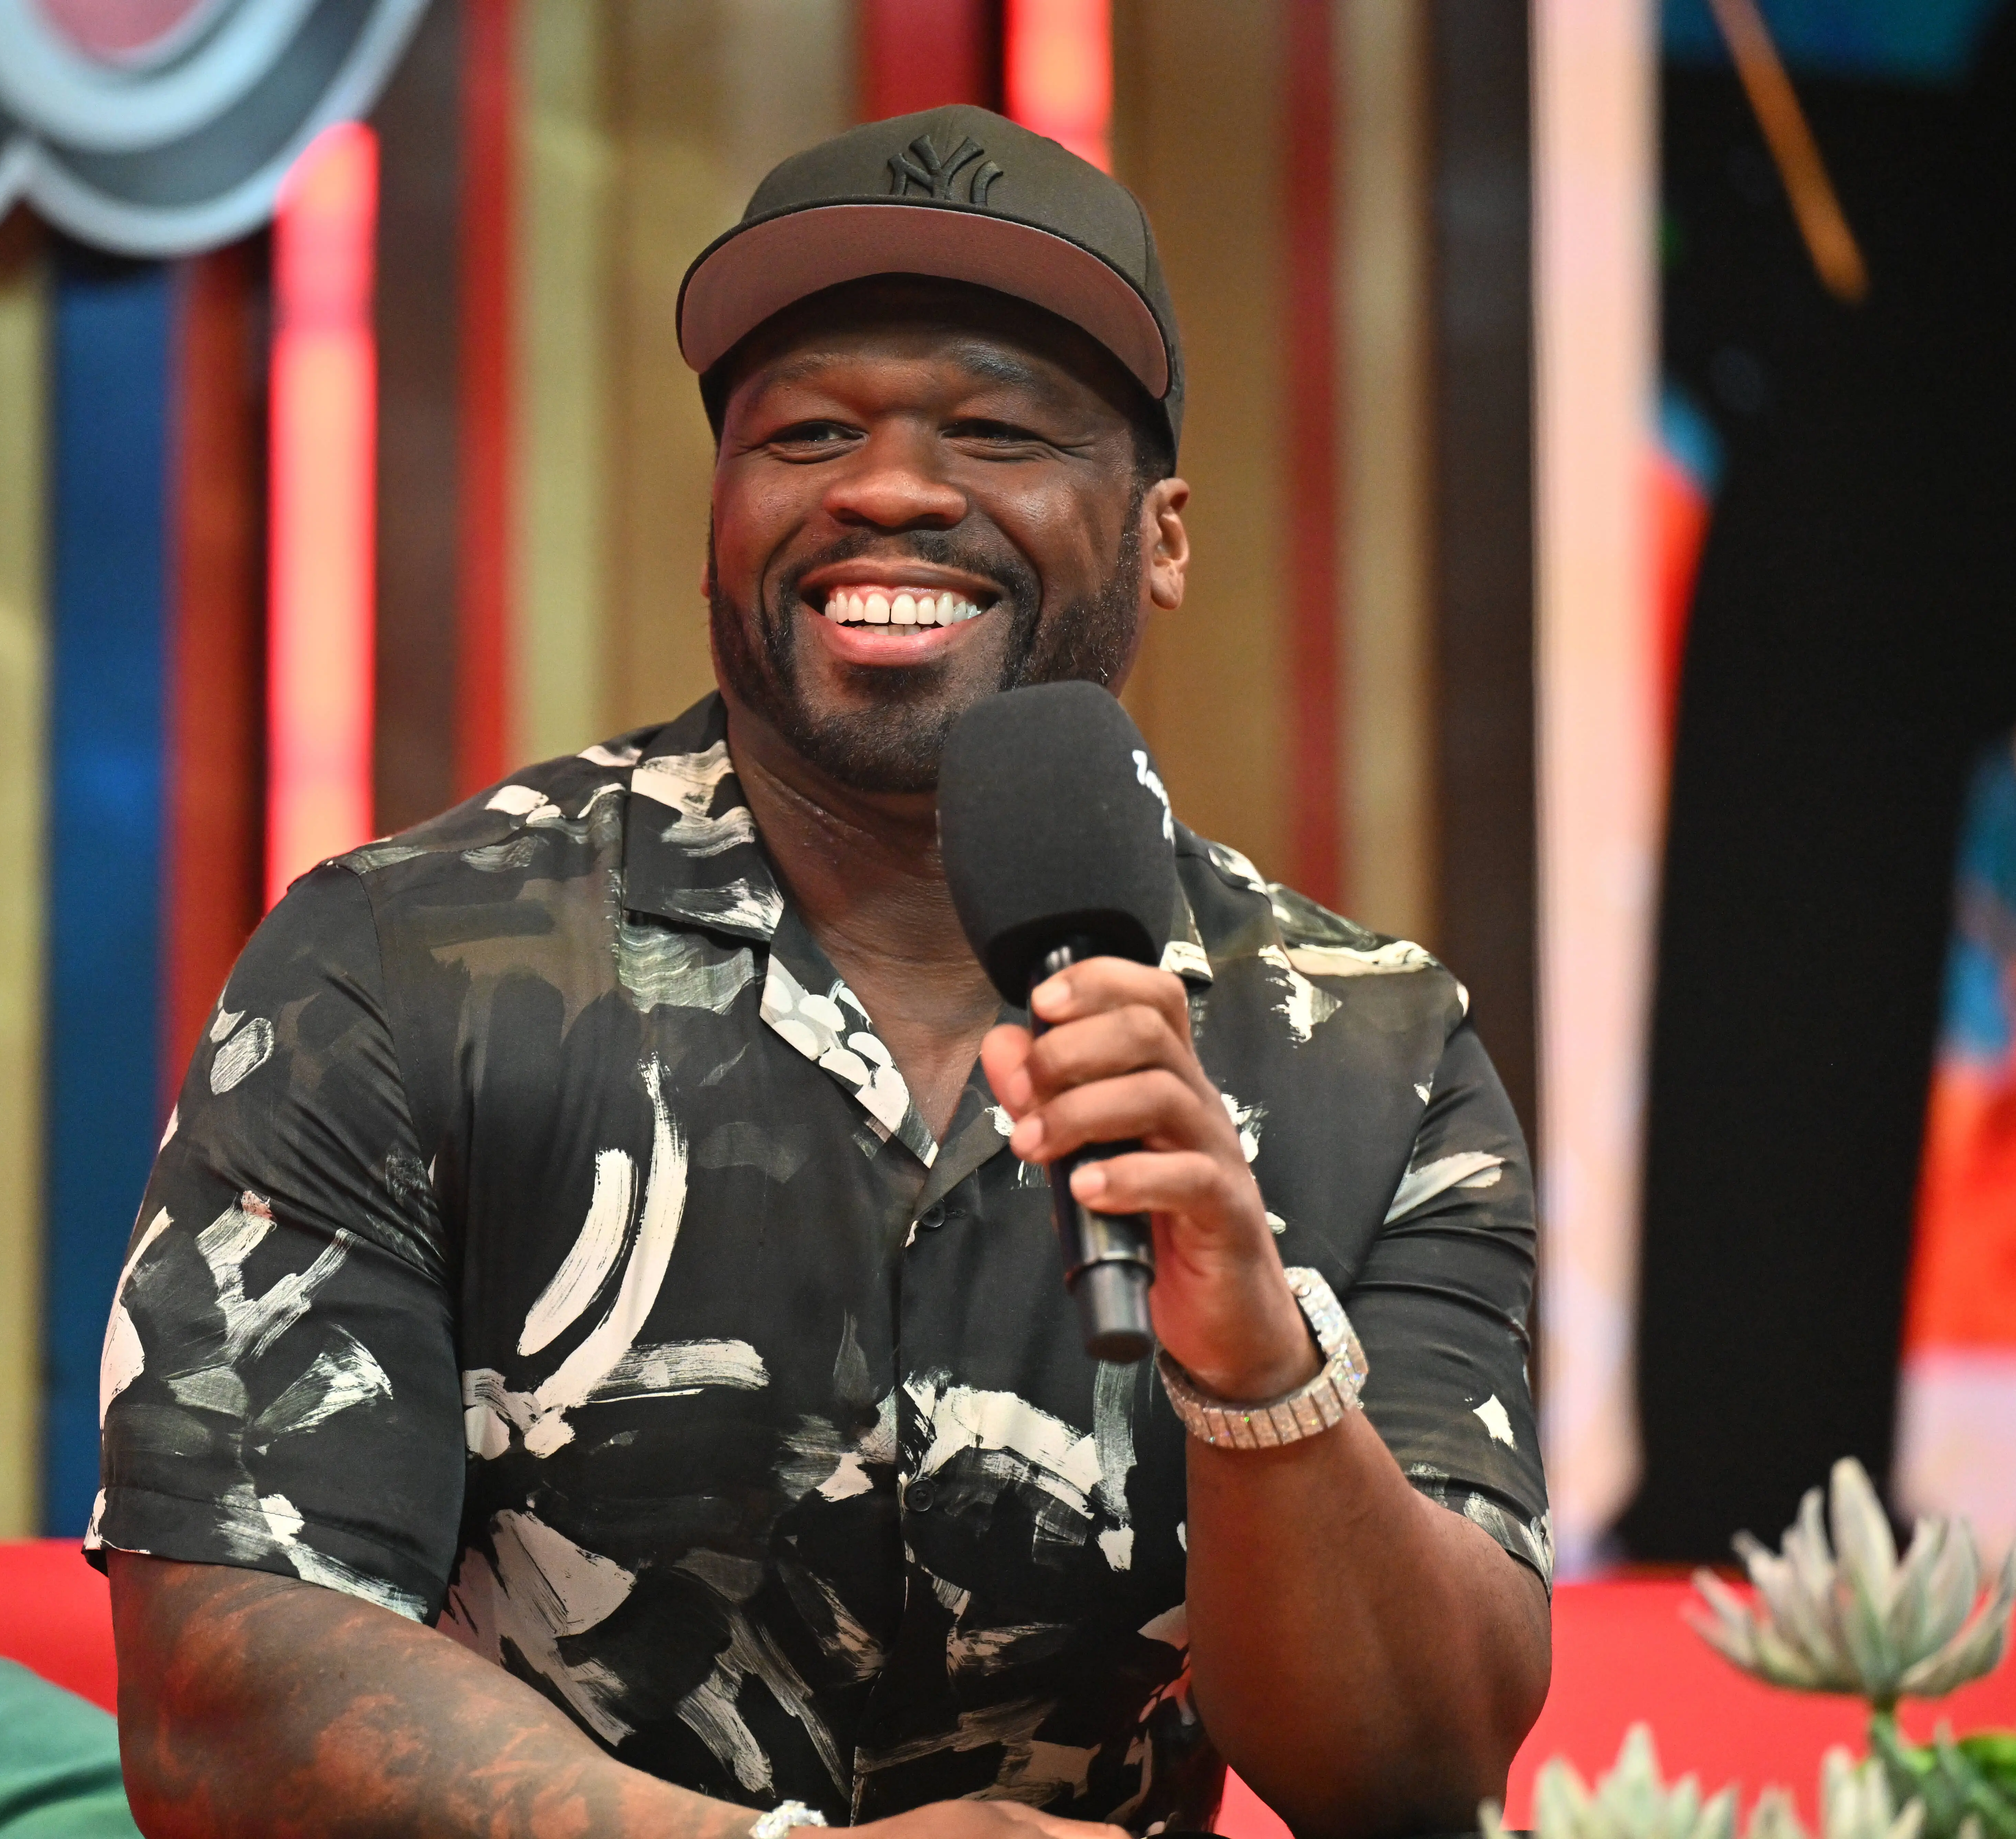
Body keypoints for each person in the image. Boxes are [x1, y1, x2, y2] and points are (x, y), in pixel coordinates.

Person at [94, 106, 1550, 1839]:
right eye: (805, 433)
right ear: (721, 513)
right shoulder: (396, 963)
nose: (886, 487)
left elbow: (1416, 1773)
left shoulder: (1368, 1053)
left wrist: (1255, 1365)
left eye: (996, 429)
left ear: (1161, 532)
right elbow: (223, 1702)